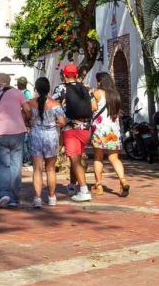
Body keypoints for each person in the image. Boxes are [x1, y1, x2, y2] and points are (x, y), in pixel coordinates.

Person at [0, 73, 31, 208]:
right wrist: (25, 120)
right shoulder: (18, 93)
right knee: (16, 165)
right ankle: (14, 198)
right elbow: (28, 109)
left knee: (2, 165)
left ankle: (3, 193)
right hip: (18, 131)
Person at [90, 70, 131, 197]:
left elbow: (93, 108)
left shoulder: (96, 93)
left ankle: (99, 185)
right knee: (114, 158)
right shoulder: (116, 95)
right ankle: (123, 180)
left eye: (97, 81)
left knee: (98, 157)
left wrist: (90, 95)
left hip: (100, 130)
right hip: (113, 130)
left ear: (100, 82)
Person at [27, 76, 65, 207]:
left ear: (36, 89)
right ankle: (52, 197)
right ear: (48, 88)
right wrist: (53, 125)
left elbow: (26, 116)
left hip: (35, 135)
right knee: (51, 169)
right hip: (51, 136)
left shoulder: (30, 103)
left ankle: (37, 198)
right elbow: (62, 122)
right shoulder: (56, 104)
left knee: (37, 169)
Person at [59, 63, 94, 203]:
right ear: (76, 74)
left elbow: (55, 105)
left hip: (70, 128)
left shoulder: (61, 88)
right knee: (77, 157)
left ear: (64, 74)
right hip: (85, 128)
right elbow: (94, 106)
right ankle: (72, 186)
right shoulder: (87, 88)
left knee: (75, 159)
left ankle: (84, 191)